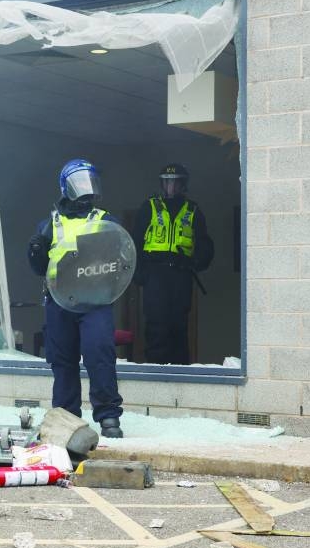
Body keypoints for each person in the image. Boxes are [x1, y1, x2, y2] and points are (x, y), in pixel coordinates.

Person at [27, 159, 125, 438]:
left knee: (99, 355)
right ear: (66, 187)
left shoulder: (105, 220)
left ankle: (108, 416)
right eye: (80, 182)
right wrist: (34, 250)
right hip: (59, 301)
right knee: (62, 361)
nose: (87, 188)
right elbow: (38, 268)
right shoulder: (49, 224)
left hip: (95, 301)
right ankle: (66, 418)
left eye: (90, 181)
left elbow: (120, 260)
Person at [134, 163, 214, 365]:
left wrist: (194, 262)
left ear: (183, 184)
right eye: (167, 182)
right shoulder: (149, 207)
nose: (171, 186)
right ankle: (155, 373)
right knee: (156, 326)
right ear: (162, 183)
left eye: (176, 182)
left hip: (181, 274)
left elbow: (204, 244)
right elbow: (133, 242)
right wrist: (139, 273)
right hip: (154, 274)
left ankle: (180, 372)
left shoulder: (193, 210)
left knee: (179, 326)